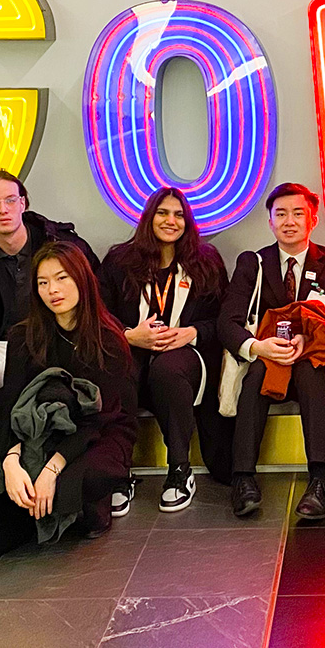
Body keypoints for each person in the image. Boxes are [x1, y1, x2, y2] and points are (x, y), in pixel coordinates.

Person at [0, 241, 140, 554]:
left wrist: (52, 469)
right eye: (43, 282)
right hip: (38, 431)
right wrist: (11, 460)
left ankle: (95, 501)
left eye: (61, 278)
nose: (52, 289)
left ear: (81, 279)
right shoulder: (23, 336)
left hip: (96, 433)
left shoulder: (108, 339)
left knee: (80, 481)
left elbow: (99, 418)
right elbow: (9, 401)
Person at [219, 183, 325, 520]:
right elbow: (227, 322)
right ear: (270, 222)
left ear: (313, 219)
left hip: (308, 358)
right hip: (266, 357)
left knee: (312, 372)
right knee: (257, 374)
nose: (289, 221)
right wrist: (258, 346)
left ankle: (320, 478)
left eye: (298, 213)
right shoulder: (253, 263)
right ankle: (243, 478)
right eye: (281, 214)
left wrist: (310, 340)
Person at [99, 187, 227, 513]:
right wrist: (128, 335)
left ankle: (180, 470)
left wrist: (192, 332)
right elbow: (98, 314)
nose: (171, 221)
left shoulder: (206, 262)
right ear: (149, 217)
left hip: (187, 355)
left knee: (168, 367)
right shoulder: (119, 261)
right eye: (163, 213)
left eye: (179, 215)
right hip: (133, 349)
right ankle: (118, 473)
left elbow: (224, 320)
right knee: (119, 367)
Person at [0, 168, 99, 392]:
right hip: (0, 348)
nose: (3, 209)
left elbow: (98, 294)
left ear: (23, 203)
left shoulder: (60, 243)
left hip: (58, 341)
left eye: (10, 200)